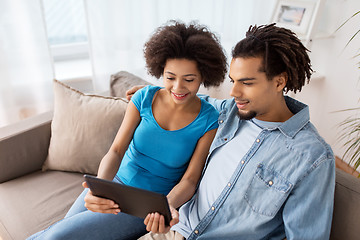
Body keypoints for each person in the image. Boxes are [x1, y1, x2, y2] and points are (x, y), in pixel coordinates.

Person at [130, 23, 335, 240]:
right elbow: (188, 98)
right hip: (175, 230)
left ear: (279, 82)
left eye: (246, 83)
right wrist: (153, 94)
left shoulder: (312, 157)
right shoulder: (229, 112)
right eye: (233, 81)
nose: (234, 92)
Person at [27, 21, 227, 240]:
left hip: (145, 205)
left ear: (203, 77)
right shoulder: (144, 98)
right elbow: (116, 150)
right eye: (170, 78)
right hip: (113, 184)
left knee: (57, 237)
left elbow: (190, 180)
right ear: (160, 70)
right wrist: (99, 188)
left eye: (189, 80)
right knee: (55, 234)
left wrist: (166, 206)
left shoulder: (209, 121)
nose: (178, 88)